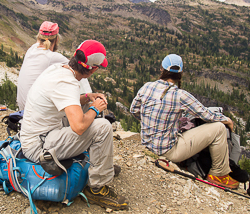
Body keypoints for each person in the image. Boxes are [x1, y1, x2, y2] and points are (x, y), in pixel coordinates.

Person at [19, 40, 128, 210]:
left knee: (84, 108)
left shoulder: (59, 69)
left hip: (36, 134)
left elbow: (63, 99)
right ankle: (97, 188)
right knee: (102, 127)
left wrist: (87, 97)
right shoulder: (67, 82)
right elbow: (78, 127)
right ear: (93, 68)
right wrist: (94, 108)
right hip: (39, 146)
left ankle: (100, 164)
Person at [130, 54, 239, 189]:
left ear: (161, 69)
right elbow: (205, 114)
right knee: (219, 128)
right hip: (167, 151)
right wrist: (227, 120)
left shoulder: (146, 87)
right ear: (180, 74)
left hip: (146, 144)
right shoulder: (180, 95)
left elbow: (134, 110)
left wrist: (150, 122)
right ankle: (218, 174)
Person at [17, 21, 91, 111]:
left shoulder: (31, 49)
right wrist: (88, 94)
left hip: (23, 108)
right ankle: (88, 99)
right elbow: (78, 69)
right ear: (57, 40)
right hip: (35, 111)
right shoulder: (52, 57)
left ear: (39, 37)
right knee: (76, 74)